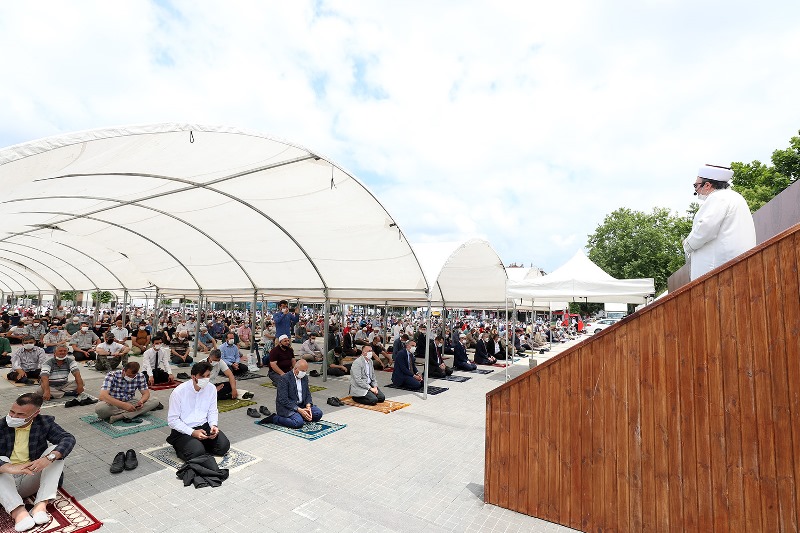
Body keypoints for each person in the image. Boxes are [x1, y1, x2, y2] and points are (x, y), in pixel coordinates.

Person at [0, 393, 75, 532]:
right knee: (1, 460)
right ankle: (19, 513)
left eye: (20, 414)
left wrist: (47, 459)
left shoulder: (44, 423)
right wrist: (8, 468)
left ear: (35, 414)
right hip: (5, 483)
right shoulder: (1, 425)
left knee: (55, 453)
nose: (13, 417)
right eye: (12, 412)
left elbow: (68, 439)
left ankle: (40, 505)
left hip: (31, 475)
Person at [683, 165, 757, 280]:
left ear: (707, 185)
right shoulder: (735, 197)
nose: (696, 191)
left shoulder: (718, 198)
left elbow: (705, 228)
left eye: (696, 186)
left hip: (717, 272)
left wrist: (687, 244)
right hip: (736, 267)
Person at [166, 362, 230, 461]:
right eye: (202, 376)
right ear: (193, 377)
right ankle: (185, 446)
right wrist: (192, 432)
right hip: (184, 430)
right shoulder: (178, 392)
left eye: (208, 376)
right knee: (197, 453)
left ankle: (198, 444)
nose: (205, 379)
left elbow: (212, 410)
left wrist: (213, 425)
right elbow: (173, 421)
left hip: (204, 426)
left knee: (223, 447)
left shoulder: (211, 388)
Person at [95, 362, 162, 423]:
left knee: (155, 401)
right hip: (112, 403)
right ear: (124, 370)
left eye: (133, 376)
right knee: (100, 408)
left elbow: (146, 393)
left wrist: (141, 401)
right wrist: (123, 405)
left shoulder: (140, 376)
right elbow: (103, 396)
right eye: (129, 375)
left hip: (130, 402)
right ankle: (132, 413)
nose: (131, 378)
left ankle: (121, 416)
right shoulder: (112, 375)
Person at [265, 360, 322, 428]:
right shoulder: (284, 379)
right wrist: (299, 410)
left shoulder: (305, 378)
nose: (304, 373)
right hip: (288, 407)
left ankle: (299, 415)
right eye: (302, 371)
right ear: (295, 369)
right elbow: (283, 400)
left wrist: (308, 406)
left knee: (318, 414)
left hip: (301, 405)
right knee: (297, 423)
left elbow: (307, 394)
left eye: (305, 371)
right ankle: (275, 418)